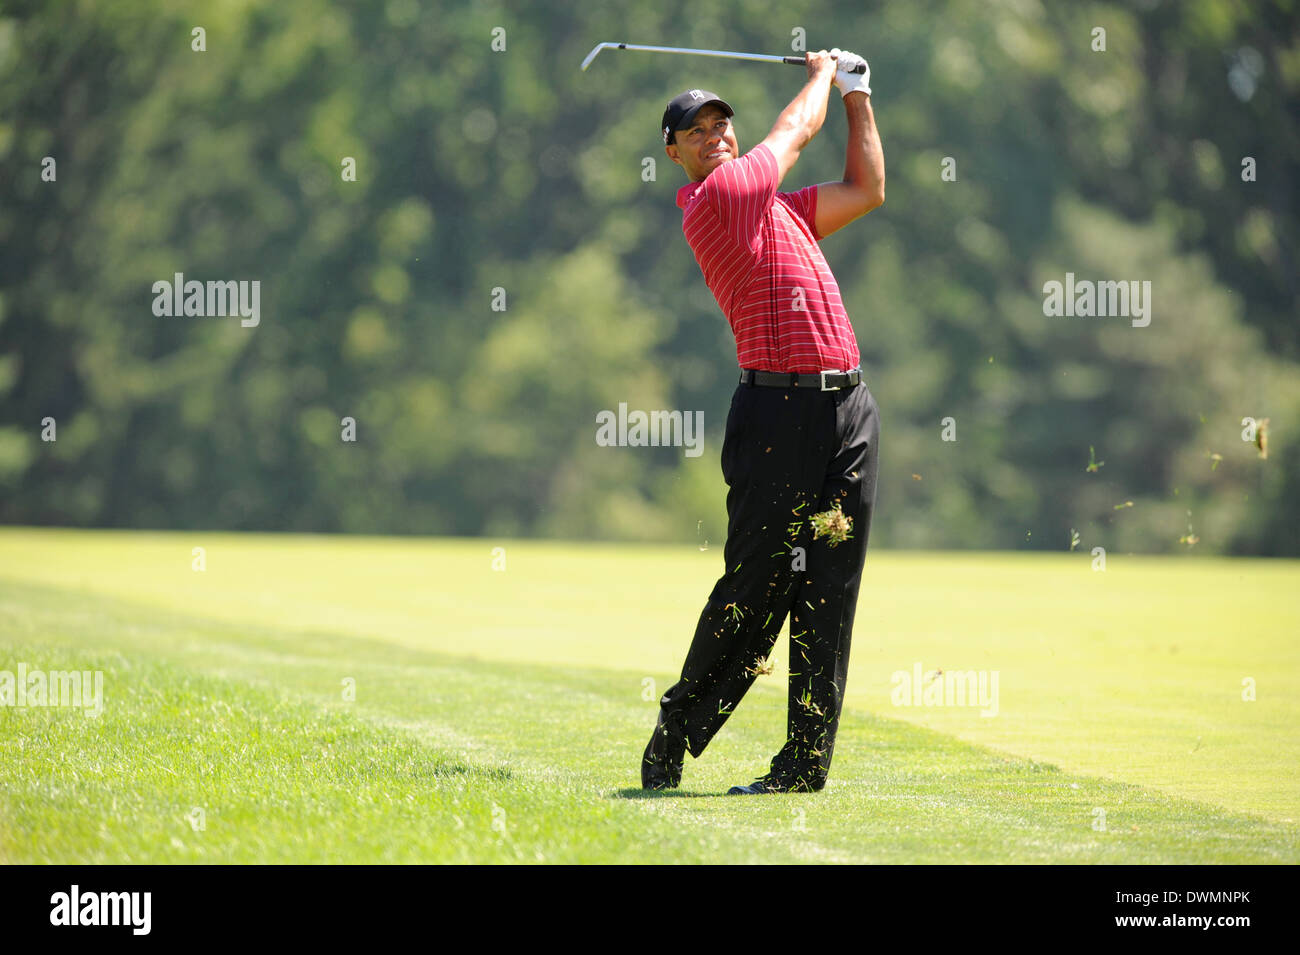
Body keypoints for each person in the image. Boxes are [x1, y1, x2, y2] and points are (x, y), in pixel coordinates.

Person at [642, 48, 885, 794]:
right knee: (755, 585)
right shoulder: (719, 199)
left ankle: (803, 764)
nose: (716, 132)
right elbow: (791, 133)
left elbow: (867, 189)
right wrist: (821, 73)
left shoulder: (776, 209)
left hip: (847, 407)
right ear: (674, 151)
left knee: (829, 589)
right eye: (698, 127)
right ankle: (678, 726)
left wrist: (858, 94)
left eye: (722, 121)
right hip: (776, 414)